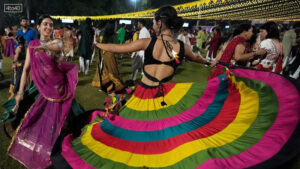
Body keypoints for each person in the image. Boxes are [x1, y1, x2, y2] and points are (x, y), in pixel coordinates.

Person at [3, 15, 86, 169]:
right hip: (41, 90)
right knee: (42, 124)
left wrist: (48, 47)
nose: (48, 27)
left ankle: (61, 153)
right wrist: (20, 93)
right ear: (39, 27)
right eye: (45, 24)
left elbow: (60, 48)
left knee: (64, 125)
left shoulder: (56, 42)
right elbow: (26, 70)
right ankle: (45, 152)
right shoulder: (32, 44)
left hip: (59, 90)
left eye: (51, 25)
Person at [92, 21, 125, 93]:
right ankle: (113, 87)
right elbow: (116, 46)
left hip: (102, 54)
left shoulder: (102, 33)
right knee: (112, 72)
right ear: (113, 27)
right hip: (110, 55)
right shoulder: (114, 35)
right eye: (116, 25)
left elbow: (98, 43)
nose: (116, 26)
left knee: (103, 71)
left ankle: (103, 87)